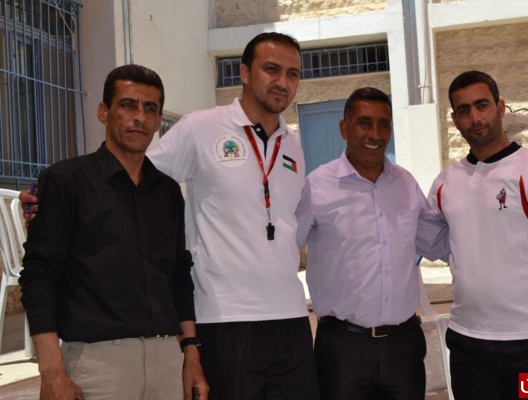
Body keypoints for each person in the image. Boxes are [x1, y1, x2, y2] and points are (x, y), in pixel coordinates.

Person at [19, 65, 208, 400]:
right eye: (128, 105)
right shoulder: (65, 182)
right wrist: (51, 373)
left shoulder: (167, 192)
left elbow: (179, 275)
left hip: (167, 362)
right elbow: (39, 277)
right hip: (97, 367)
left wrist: (191, 355)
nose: (140, 117)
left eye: (150, 108)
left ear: (159, 120)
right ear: (103, 112)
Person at [145, 32, 318, 399]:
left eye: (292, 74)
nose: (283, 82)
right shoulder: (200, 127)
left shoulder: (292, 144)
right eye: (271, 69)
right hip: (224, 318)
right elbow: (137, 179)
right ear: (244, 72)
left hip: (290, 315)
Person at [427, 70, 528, 400]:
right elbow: (433, 239)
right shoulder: (446, 181)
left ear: (500, 108)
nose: (475, 118)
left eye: (482, 105)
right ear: (455, 120)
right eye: (464, 110)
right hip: (467, 341)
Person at [295, 87, 449, 399]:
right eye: (364, 123)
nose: (375, 134)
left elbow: (436, 243)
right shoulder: (317, 186)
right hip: (342, 350)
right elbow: (283, 251)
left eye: (383, 124)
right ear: (344, 128)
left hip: (403, 347)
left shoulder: (405, 183)